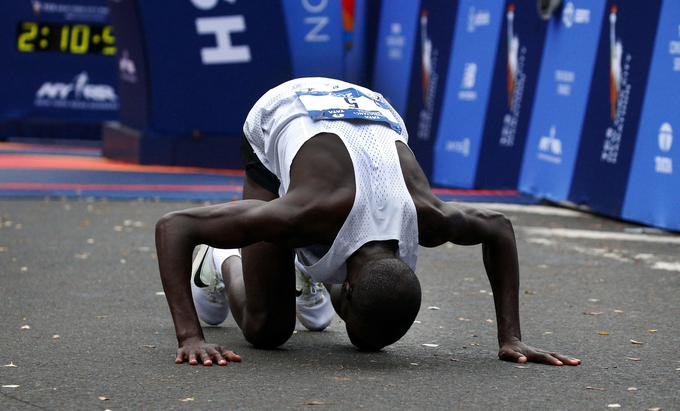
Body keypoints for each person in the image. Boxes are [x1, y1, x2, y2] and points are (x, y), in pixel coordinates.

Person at [155, 77, 581, 367]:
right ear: (350, 286)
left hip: (368, 110)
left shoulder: (428, 218)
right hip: (285, 107)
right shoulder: (300, 214)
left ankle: (302, 271)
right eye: (354, 326)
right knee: (267, 330)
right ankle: (223, 257)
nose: (356, 343)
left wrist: (510, 337)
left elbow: (499, 228)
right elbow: (175, 226)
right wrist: (190, 337)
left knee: (300, 306)